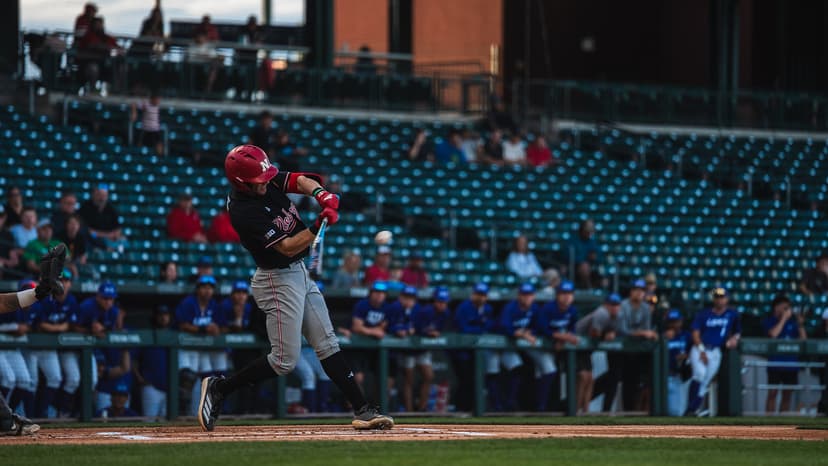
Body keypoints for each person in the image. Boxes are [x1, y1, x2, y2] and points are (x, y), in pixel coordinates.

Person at [197, 145, 393, 432]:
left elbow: (299, 180)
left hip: (299, 273)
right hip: (276, 279)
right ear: (242, 183)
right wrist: (316, 226)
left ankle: (363, 409)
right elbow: (287, 247)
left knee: (328, 342)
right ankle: (220, 388)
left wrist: (320, 195)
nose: (265, 183)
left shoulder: (263, 178)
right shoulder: (243, 211)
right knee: (284, 361)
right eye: (258, 182)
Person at [28, 269, 80, 418]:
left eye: (66, 281)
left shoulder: (71, 300)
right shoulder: (44, 298)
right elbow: (39, 325)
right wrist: (59, 327)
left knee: (55, 378)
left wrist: (54, 327)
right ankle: (26, 413)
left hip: (48, 348)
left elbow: (70, 325)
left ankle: (44, 413)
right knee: (28, 382)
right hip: (31, 347)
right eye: (60, 280)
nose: (63, 284)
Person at [686, 287, 741, 416]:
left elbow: (737, 331)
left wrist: (734, 338)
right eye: (717, 297)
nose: (719, 300)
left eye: (722, 297)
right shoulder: (704, 314)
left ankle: (691, 410)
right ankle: (690, 407)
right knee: (699, 374)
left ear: (727, 299)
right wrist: (701, 351)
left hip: (716, 351)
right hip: (701, 348)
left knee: (705, 382)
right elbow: (695, 333)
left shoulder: (732, 314)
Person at [175, 275, 226, 415]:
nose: (207, 291)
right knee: (186, 379)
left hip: (203, 349)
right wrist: (204, 329)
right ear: (198, 289)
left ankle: (205, 411)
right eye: (204, 287)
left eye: (210, 288)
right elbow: (182, 324)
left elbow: (222, 327)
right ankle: (180, 412)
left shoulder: (214, 305)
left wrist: (217, 329)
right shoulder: (189, 302)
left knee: (208, 380)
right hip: (186, 347)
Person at [532, 280, 579, 412]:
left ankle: (544, 406)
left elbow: (572, 330)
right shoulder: (548, 308)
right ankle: (540, 407)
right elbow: (542, 329)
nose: (566, 297)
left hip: (555, 347)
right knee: (548, 372)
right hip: (538, 345)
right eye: (563, 293)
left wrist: (562, 339)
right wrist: (559, 336)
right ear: (557, 295)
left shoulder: (572, 310)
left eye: (569, 294)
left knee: (550, 374)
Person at [576, 293, 622, 415]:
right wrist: (604, 335)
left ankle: (585, 411)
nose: (614, 307)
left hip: (586, 349)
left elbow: (615, 331)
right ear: (606, 305)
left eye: (617, 305)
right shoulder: (601, 312)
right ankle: (575, 410)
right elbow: (593, 333)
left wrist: (611, 334)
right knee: (584, 377)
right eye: (612, 305)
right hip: (577, 345)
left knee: (590, 378)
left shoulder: (617, 316)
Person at [452, 282, 495, 411]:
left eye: (482, 295)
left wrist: (479, 329)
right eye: (477, 294)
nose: (480, 297)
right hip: (460, 351)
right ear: (472, 294)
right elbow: (463, 328)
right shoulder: (463, 307)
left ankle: (471, 408)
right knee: (465, 379)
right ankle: (461, 408)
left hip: (476, 351)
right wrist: (480, 329)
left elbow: (490, 325)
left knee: (476, 379)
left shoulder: (487, 309)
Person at [617, 279, 659, 411]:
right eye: (636, 290)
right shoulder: (623, 305)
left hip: (639, 351)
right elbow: (622, 330)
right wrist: (642, 333)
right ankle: (625, 410)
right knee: (623, 381)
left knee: (638, 381)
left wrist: (643, 333)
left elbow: (647, 329)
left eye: (642, 291)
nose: (639, 293)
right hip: (621, 349)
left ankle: (637, 411)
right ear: (631, 292)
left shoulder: (646, 308)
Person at [762, 294, 807, 414]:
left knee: (787, 395)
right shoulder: (769, 320)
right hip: (775, 363)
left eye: (788, 307)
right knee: (772, 393)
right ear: (776, 307)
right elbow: (773, 335)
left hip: (791, 364)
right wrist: (783, 319)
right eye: (784, 307)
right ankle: (769, 422)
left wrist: (800, 323)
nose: (787, 310)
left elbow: (804, 341)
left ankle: (783, 423)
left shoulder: (793, 323)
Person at [497, 283, 539, 411]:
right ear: (519, 296)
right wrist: (521, 333)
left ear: (533, 296)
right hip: (501, 345)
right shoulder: (510, 308)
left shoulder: (535, 309)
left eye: (529, 295)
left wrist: (530, 332)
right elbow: (504, 327)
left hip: (519, 347)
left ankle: (515, 403)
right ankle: (505, 404)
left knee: (524, 370)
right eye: (524, 295)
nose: (526, 298)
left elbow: (539, 326)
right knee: (514, 369)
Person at [382, 285, 419, 412]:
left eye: (411, 298)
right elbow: (386, 326)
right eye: (406, 297)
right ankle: (382, 409)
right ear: (401, 297)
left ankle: (410, 410)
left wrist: (411, 330)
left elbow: (417, 327)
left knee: (409, 378)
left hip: (406, 351)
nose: (409, 301)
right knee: (388, 381)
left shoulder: (415, 309)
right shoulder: (393, 307)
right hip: (389, 351)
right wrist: (398, 330)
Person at [78, 184, 126, 251]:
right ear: (93, 195)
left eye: (104, 195)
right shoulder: (85, 208)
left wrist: (115, 235)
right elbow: (88, 230)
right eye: (99, 195)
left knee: (123, 241)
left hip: (109, 238)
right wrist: (106, 235)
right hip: (93, 237)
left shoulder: (111, 209)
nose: (102, 198)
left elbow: (117, 227)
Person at [663, 309, 691, 417]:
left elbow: (695, 352)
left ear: (681, 321)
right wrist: (663, 338)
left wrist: (686, 356)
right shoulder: (662, 336)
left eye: (676, 321)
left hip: (680, 377)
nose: (674, 324)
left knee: (676, 412)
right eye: (671, 321)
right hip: (663, 377)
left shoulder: (686, 336)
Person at [567, 219, 603, 289]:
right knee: (584, 267)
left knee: (603, 272)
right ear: (582, 229)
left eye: (591, 229)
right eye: (588, 229)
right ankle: (587, 287)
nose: (589, 231)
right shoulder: (573, 241)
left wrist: (595, 258)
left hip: (593, 267)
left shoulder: (593, 242)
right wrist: (585, 258)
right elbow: (567, 257)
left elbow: (599, 258)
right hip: (575, 267)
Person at [56, 214, 90, 279]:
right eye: (71, 223)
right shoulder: (59, 237)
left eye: (76, 224)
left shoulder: (81, 238)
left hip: (75, 262)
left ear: (79, 226)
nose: (73, 226)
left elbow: (83, 256)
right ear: (66, 225)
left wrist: (80, 262)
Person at [0, 209, 22, 279]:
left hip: (5, 267)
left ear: (4, 218)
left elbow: (14, 260)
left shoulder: (8, 234)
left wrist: (4, 261)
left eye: (0, 216)